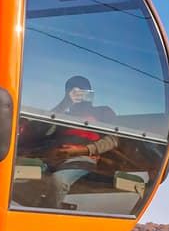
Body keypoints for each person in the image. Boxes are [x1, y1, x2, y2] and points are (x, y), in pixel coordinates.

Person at [28, 75, 119, 208]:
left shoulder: (102, 112)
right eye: (74, 91)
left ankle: (49, 215)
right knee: (19, 172)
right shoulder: (63, 115)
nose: (80, 94)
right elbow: (39, 130)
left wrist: (82, 150)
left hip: (82, 159)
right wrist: (64, 104)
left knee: (59, 181)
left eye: (84, 90)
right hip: (53, 157)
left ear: (90, 92)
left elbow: (113, 139)